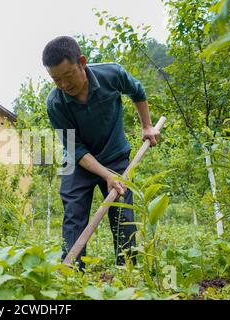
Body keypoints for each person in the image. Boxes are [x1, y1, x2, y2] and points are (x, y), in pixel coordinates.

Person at [42, 36, 160, 270]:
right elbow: (76, 149)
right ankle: (72, 276)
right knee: (74, 216)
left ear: (82, 62)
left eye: (68, 76)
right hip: (78, 163)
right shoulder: (55, 103)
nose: (64, 85)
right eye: (56, 80)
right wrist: (106, 176)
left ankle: (127, 273)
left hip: (115, 157)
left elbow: (137, 91)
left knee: (123, 217)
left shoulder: (112, 74)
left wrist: (146, 125)